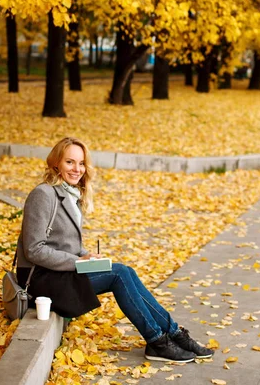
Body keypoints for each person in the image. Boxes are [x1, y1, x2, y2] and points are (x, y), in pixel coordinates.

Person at [16, 136, 215, 364]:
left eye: (81, 163)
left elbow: (64, 242)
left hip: (61, 273)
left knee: (125, 271)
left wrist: (86, 255)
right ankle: (157, 340)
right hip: (42, 280)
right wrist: (78, 261)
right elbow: (34, 249)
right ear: (56, 164)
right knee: (119, 274)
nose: (77, 169)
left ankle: (174, 334)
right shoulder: (43, 195)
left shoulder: (71, 195)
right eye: (70, 162)